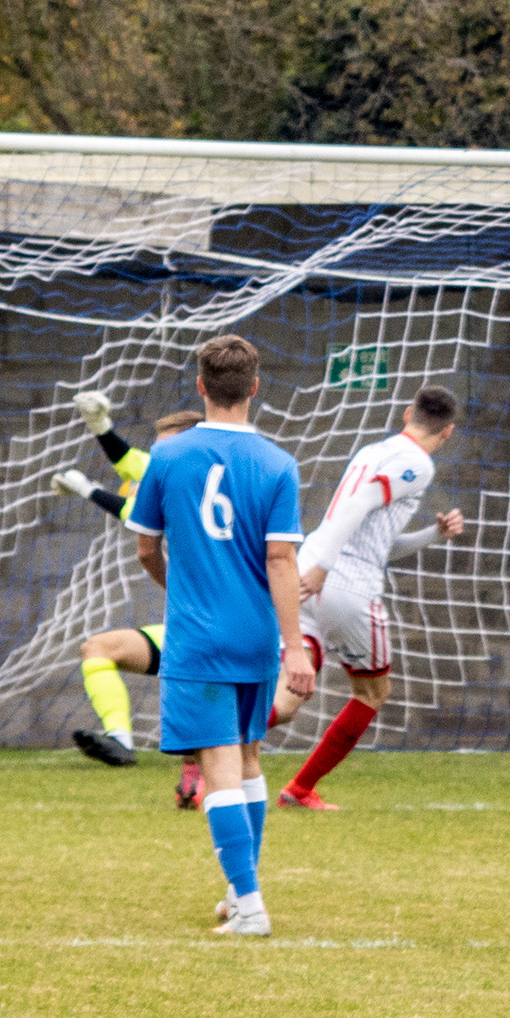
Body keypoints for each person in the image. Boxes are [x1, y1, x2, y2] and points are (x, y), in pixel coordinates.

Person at [120, 335, 305, 932]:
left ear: (200, 386)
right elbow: (281, 560)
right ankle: (237, 891)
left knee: (219, 762)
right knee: (248, 758)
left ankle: (250, 906)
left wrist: (182, 586)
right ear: (255, 387)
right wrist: (295, 646)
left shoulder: (167, 456)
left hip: (198, 637)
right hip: (257, 637)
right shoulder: (279, 464)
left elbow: (146, 548)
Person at [266, 385, 470, 811]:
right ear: (448, 431)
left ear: (406, 413)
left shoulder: (370, 451)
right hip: (344, 585)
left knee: (286, 701)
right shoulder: (418, 463)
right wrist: (325, 568)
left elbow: (373, 541)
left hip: (307, 573)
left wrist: (434, 534)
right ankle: (300, 789)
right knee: (372, 693)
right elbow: (359, 505)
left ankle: (206, 750)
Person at [57, 401, 199, 770]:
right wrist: (99, 426)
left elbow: (140, 521)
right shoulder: (180, 477)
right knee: (98, 648)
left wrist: (89, 489)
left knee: (233, 727)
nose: (157, 458)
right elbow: (133, 465)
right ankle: (120, 740)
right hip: (193, 630)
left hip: (230, 635)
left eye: (166, 449)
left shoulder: (199, 491)